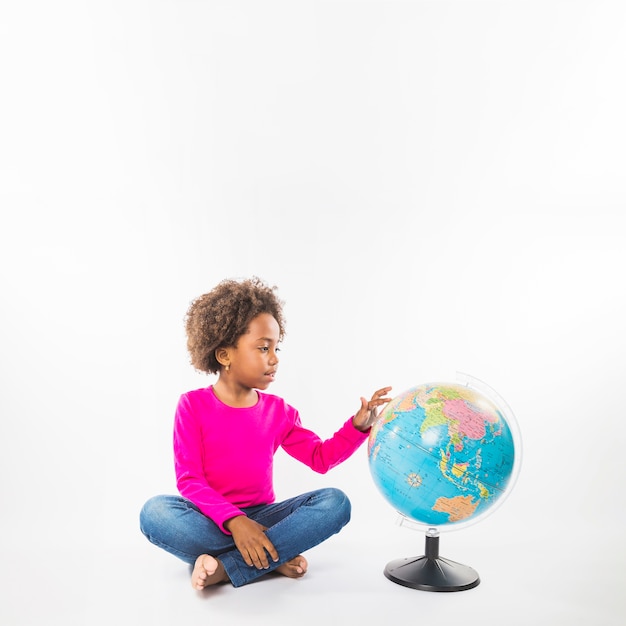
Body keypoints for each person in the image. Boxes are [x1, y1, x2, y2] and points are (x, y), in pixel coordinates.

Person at [139, 276, 391, 590]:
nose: (274, 358)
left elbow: (320, 458)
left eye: (275, 348)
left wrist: (357, 427)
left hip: (263, 519)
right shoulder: (192, 405)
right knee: (155, 512)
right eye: (262, 348)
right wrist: (236, 522)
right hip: (210, 517)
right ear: (224, 355)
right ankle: (271, 556)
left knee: (336, 503)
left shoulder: (279, 411)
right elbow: (190, 481)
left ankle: (226, 568)